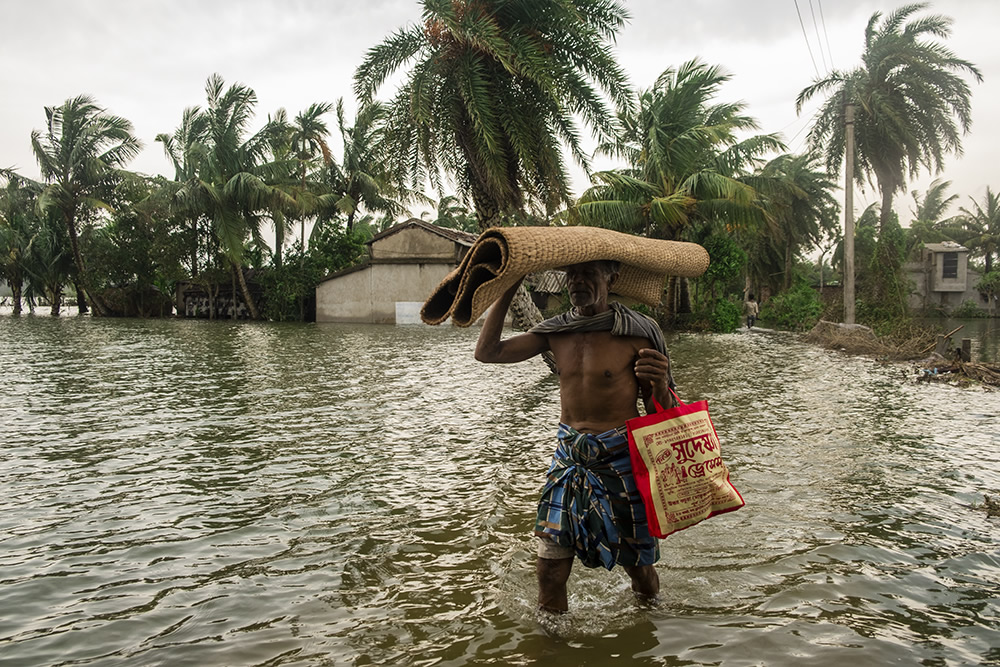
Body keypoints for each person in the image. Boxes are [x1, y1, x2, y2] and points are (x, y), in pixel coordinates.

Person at [475, 260, 676, 613]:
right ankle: (552, 647)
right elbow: (487, 353)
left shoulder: (637, 332)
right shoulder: (557, 330)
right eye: (571, 275)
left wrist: (660, 382)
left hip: (621, 460)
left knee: (640, 566)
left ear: (611, 278)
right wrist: (509, 286)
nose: (577, 282)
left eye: (588, 274)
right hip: (568, 459)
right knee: (549, 570)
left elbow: (663, 411)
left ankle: (651, 618)